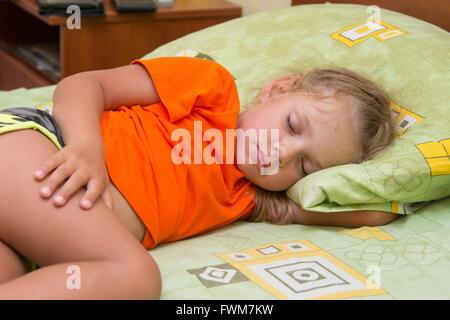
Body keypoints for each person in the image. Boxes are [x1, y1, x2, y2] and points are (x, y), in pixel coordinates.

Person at [0, 57, 398, 299]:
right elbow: (85, 84)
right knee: (136, 277)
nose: (282, 153)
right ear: (278, 90)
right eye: (292, 125)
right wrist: (88, 148)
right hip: (41, 148)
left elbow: (360, 211)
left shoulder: (244, 199)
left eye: (306, 166)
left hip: (27, 226)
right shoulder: (212, 90)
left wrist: (405, 195)